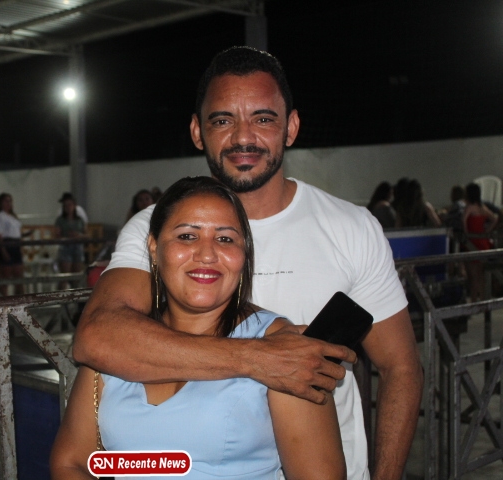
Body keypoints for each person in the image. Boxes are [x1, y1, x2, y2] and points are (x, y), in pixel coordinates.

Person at [74, 47, 423, 480]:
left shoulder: (351, 227)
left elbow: (400, 367)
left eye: (263, 119)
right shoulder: (156, 227)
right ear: (197, 131)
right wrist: (259, 359)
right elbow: (97, 335)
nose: (243, 137)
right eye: (223, 120)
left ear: (291, 127)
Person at [52, 177, 345, 479]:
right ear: (154, 248)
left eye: (225, 239)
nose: (207, 254)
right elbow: (71, 462)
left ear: (244, 254)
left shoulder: (283, 348)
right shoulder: (119, 341)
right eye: (187, 236)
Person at [462, 182, 497, 302]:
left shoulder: (469, 208)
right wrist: (487, 231)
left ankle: (474, 300)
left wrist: (466, 235)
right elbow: (494, 219)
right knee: (481, 275)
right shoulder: (482, 208)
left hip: (472, 243)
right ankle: (482, 299)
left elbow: (464, 224)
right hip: (483, 242)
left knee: (473, 276)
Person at [0, 193, 25, 296]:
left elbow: (17, 233)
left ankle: (19, 302)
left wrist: (20, 247)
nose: (8, 203)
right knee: (5, 279)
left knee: (19, 279)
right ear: (0, 203)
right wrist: (3, 251)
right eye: (6, 201)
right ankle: (3, 302)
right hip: (6, 245)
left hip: (16, 245)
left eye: (10, 201)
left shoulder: (13, 216)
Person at [55, 192, 87, 286]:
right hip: (66, 247)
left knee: (76, 277)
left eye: (70, 205)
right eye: (66, 205)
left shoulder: (79, 220)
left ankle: (75, 294)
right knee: (65, 276)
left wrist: (78, 235)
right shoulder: (60, 220)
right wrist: (66, 237)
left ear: (74, 206)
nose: (68, 207)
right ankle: (62, 294)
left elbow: (86, 234)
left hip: (78, 247)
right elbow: (57, 235)